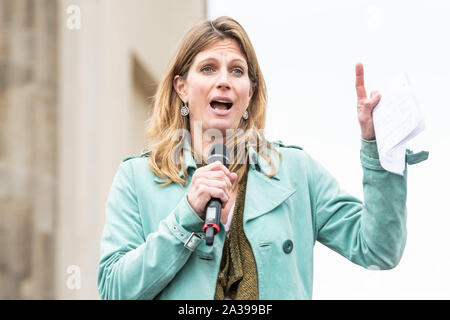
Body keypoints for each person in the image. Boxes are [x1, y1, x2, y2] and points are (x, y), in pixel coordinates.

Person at [97, 16, 428, 300]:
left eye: (237, 71)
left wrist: (379, 146)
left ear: (250, 92)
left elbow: (378, 250)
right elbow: (113, 288)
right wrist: (185, 217)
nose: (223, 81)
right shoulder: (138, 178)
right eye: (208, 68)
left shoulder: (296, 172)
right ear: (182, 87)